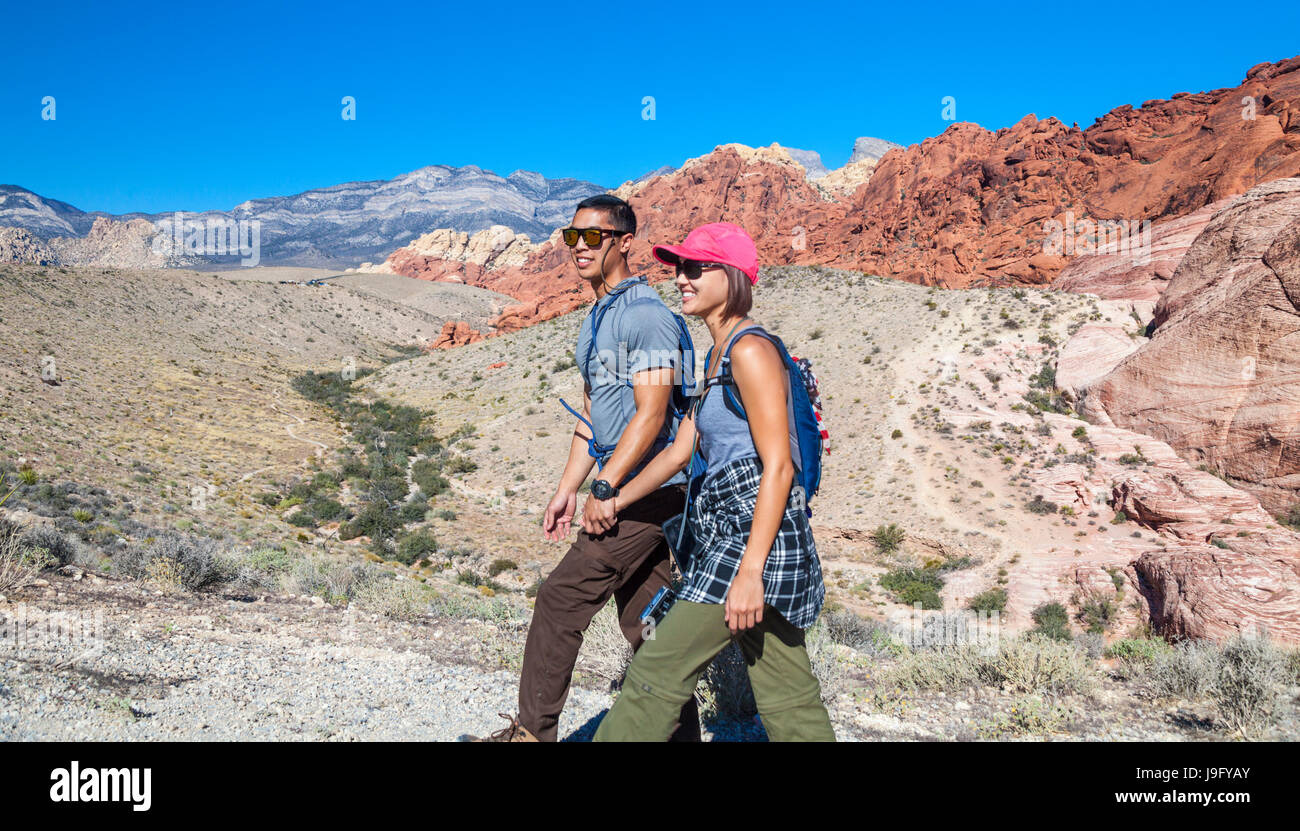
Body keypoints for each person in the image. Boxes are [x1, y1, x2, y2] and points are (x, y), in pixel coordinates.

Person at [591, 221, 835, 742]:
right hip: (741, 531)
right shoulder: (717, 359)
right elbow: (680, 450)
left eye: (696, 267)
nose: (681, 276)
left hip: (750, 537)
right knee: (787, 692)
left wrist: (750, 571)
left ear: (733, 277)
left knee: (655, 674)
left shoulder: (750, 350)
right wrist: (612, 496)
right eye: (679, 266)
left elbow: (779, 467)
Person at [474, 195, 701, 742]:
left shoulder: (645, 315)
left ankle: (533, 734)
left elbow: (650, 417)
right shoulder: (597, 316)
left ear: (624, 242)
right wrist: (566, 489)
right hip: (622, 486)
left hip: (649, 488)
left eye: (593, 237)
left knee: (560, 599)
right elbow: (594, 415)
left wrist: (605, 487)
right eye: (571, 236)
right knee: (646, 624)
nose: (579, 247)